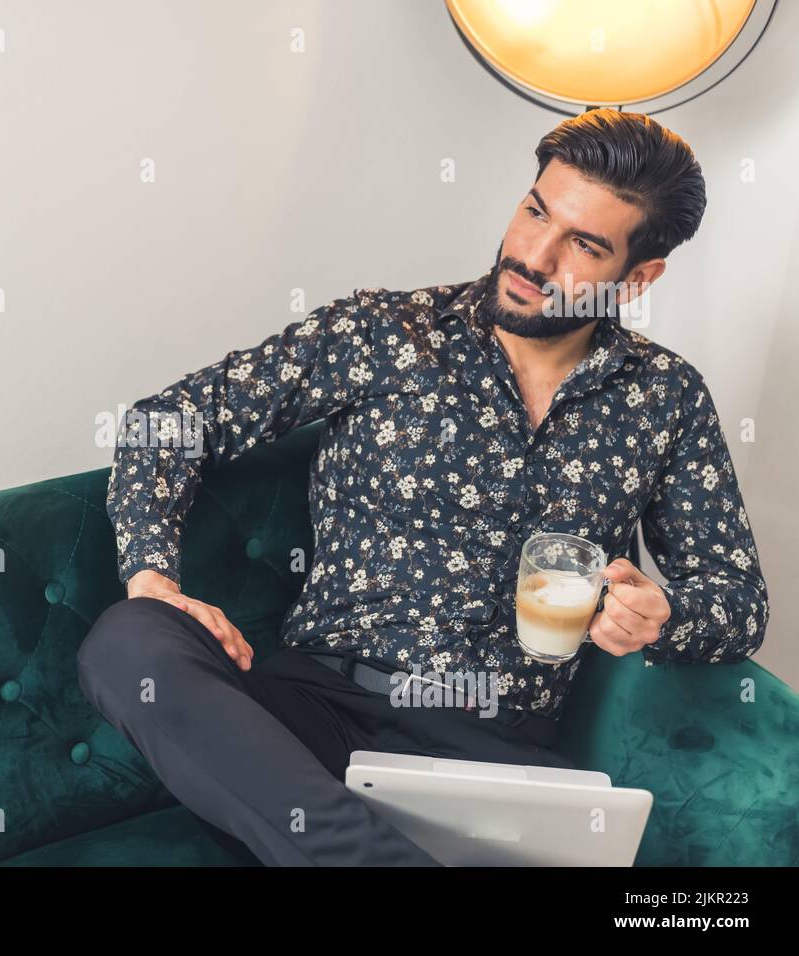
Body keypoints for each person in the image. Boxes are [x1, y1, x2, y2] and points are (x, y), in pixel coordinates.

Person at [77, 108, 769, 866]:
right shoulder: (381, 332)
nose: (534, 255)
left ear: (636, 279)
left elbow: (737, 602)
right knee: (127, 640)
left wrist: (661, 615)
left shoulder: (665, 397)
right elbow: (159, 426)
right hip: (309, 723)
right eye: (536, 210)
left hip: (494, 752)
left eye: (583, 244)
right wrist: (154, 575)